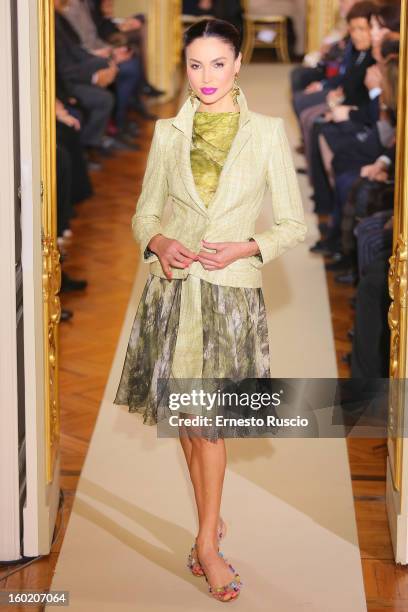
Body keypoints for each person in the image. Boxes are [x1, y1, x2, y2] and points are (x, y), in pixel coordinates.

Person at [113, 18, 307, 602]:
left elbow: (293, 224)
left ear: (239, 63)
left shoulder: (268, 132)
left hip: (230, 296)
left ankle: (205, 545)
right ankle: (208, 524)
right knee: (190, 425)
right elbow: (144, 215)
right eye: (195, 65)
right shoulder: (168, 132)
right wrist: (159, 243)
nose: (206, 77)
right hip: (173, 291)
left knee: (208, 423)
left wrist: (250, 245)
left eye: (217, 64)